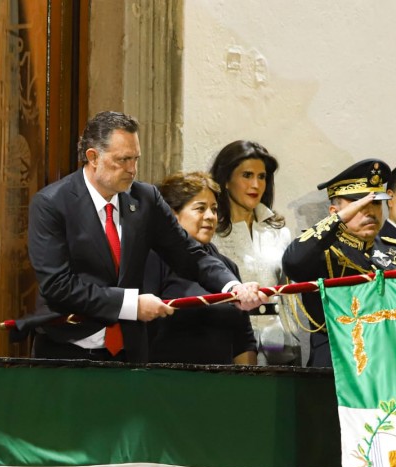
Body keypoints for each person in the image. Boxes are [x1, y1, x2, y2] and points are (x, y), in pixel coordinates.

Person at [28, 111, 265, 363]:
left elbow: (188, 254)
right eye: (123, 160)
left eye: (136, 159)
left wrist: (232, 287)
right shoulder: (52, 204)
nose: (132, 169)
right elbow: (58, 285)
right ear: (93, 157)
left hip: (128, 355)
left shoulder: (145, 199)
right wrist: (131, 304)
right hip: (67, 351)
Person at [282, 159, 396, 368]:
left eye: (375, 203)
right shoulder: (319, 251)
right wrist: (339, 220)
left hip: (388, 369)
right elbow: (292, 263)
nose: (369, 211)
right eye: (358, 203)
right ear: (335, 212)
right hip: (335, 369)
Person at [143, 171, 257, 365]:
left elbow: (243, 340)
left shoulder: (227, 267)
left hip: (221, 384)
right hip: (166, 382)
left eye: (214, 209)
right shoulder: (154, 258)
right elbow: (142, 330)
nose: (211, 216)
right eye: (200, 208)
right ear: (172, 215)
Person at [210, 140, 300, 366]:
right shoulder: (212, 232)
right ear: (226, 180)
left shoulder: (279, 231)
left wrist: (294, 336)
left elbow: (288, 295)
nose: (256, 184)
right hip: (230, 339)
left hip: (279, 341)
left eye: (262, 177)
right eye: (247, 175)